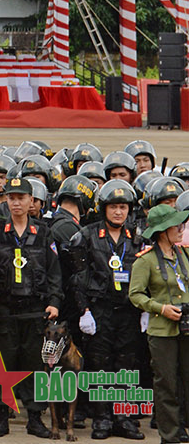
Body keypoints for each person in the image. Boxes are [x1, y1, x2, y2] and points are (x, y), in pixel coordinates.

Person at [0, 176, 61, 438]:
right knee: (1, 366)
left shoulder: (44, 232)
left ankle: (35, 418)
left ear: (31, 202)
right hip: (4, 310)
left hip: (34, 311)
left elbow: (54, 272)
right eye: (11, 198)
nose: (16, 202)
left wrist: (54, 302)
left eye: (21, 198)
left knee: (34, 366)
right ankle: (2, 417)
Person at [79, 180, 144, 441]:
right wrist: (84, 310)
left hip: (128, 311)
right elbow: (79, 276)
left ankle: (123, 417)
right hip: (100, 310)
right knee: (99, 365)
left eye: (123, 207)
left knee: (127, 364)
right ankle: (102, 418)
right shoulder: (87, 235)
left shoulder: (138, 237)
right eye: (114, 207)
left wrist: (145, 310)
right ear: (103, 208)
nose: (119, 212)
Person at [128, 203, 189, 444]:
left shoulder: (183, 254)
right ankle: (170, 435)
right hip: (162, 330)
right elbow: (135, 295)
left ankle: (182, 426)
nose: (181, 229)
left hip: (186, 328)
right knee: (166, 384)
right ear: (163, 231)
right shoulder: (146, 260)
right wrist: (160, 308)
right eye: (177, 225)